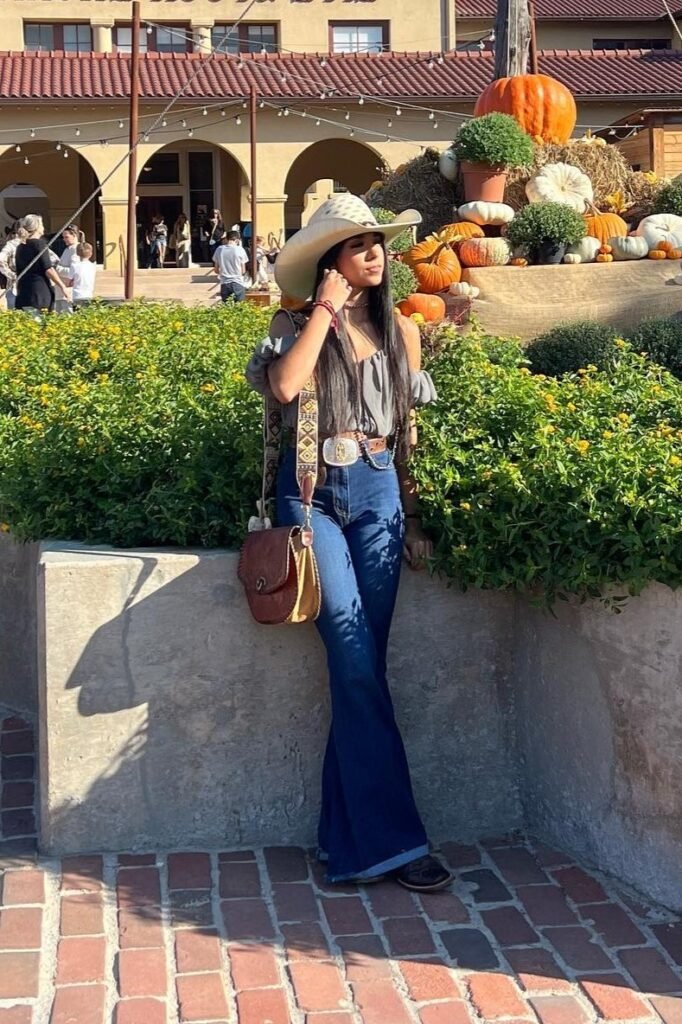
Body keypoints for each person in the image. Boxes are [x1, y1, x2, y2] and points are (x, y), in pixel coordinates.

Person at [244, 195, 453, 893]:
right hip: (312, 500)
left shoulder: (401, 332)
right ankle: (398, 843)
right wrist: (324, 310)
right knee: (355, 656)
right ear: (330, 261)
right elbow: (284, 386)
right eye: (359, 244)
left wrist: (414, 517)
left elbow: (406, 439)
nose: (376, 254)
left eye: (378, 244)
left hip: (380, 498)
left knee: (361, 668)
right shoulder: (296, 327)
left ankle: (347, 840)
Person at [15, 214, 69, 312]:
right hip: (38, 293)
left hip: (23, 293)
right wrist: (62, 286)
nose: (43, 227)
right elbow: (48, 269)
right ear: (37, 227)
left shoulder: (20, 247)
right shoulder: (39, 244)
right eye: (42, 224)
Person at [213, 230, 248, 303]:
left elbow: (216, 270)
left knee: (226, 309)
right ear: (237, 240)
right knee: (240, 308)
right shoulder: (240, 250)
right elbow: (243, 270)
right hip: (238, 282)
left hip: (224, 283)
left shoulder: (219, 249)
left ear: (226, 239)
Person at [0, 221, 27, 310]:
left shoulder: (32, 243)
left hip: (24, 285)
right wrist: (12, 275)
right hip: (15, 286)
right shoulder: (11, 245)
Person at [55, 223, 82, 312]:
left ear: (74, 235)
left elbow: (73, 271)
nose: (64, 240)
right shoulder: (67, 249)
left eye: (66, 237)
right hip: (61, 291)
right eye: (63, 237)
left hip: (68, 291)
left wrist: (56, 268)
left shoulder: (76, 250)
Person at [66, 242, 97, 308]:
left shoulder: (74, 266)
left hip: (77, 295)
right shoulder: (93, 266)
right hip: (89, 294)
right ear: (91, 253)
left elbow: (68, 283)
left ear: (77, 253)